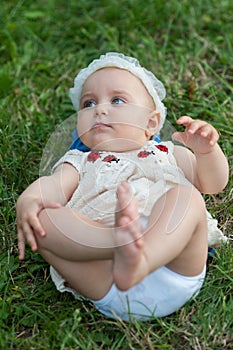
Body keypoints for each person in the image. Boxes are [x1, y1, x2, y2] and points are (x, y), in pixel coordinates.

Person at [16, 52, 229, 321]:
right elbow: (52, 186)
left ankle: (142, 257)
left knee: (186, 197)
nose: (99, 109)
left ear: (151, 122)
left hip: (173, 265)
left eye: (117, 100)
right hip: (104, 273)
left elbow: (213, 184)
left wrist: (207, 152)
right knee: (44, 219)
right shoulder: (80, 161)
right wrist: (30, 197)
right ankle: (120, 242)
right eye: (88, 103)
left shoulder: (168, 153)